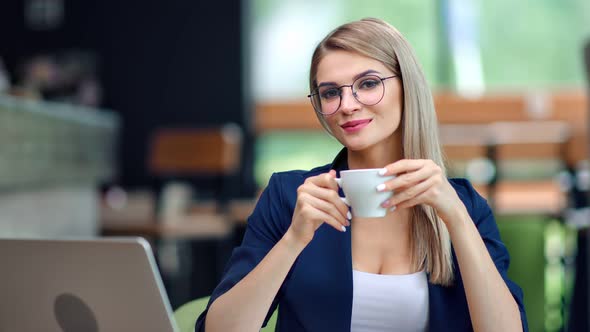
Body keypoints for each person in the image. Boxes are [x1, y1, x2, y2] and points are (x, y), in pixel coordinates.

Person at [196, 18, 527, 331]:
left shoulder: (461, 204)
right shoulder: (292, 196)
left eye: (367, 84)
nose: (347, 104)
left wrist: (455, 218)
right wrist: (293, 240)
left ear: (407, 85)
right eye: (330, 92)